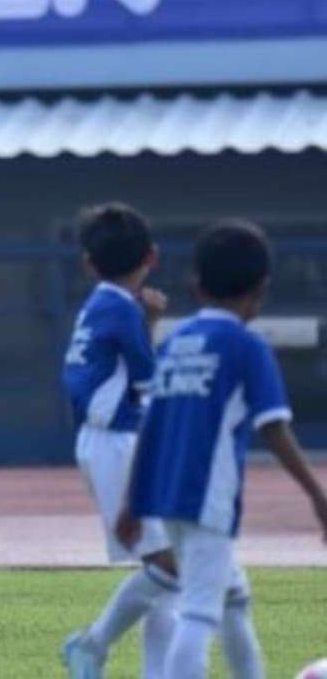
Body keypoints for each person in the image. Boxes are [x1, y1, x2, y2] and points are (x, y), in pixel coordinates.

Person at [117, 220, 327, 679]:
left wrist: (132, 503)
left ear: (196, 284)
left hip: (168, 499)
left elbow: (151, 426)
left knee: (235, 598)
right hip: (207, 499)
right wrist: (317, 494)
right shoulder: (246, 346)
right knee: (199, 615)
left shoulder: (175, 344)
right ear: (262, 288)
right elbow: (274, 429)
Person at [59, 203, 178, 678]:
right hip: (120, 441)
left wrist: (145, 321)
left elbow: (123, 370)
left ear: (89, 262)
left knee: (168, 569)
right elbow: (148, 386)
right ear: (152, 256)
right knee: (170, 566)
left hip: (106, 438)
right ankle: (92, 643)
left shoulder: (102, 305)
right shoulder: (121, 310)